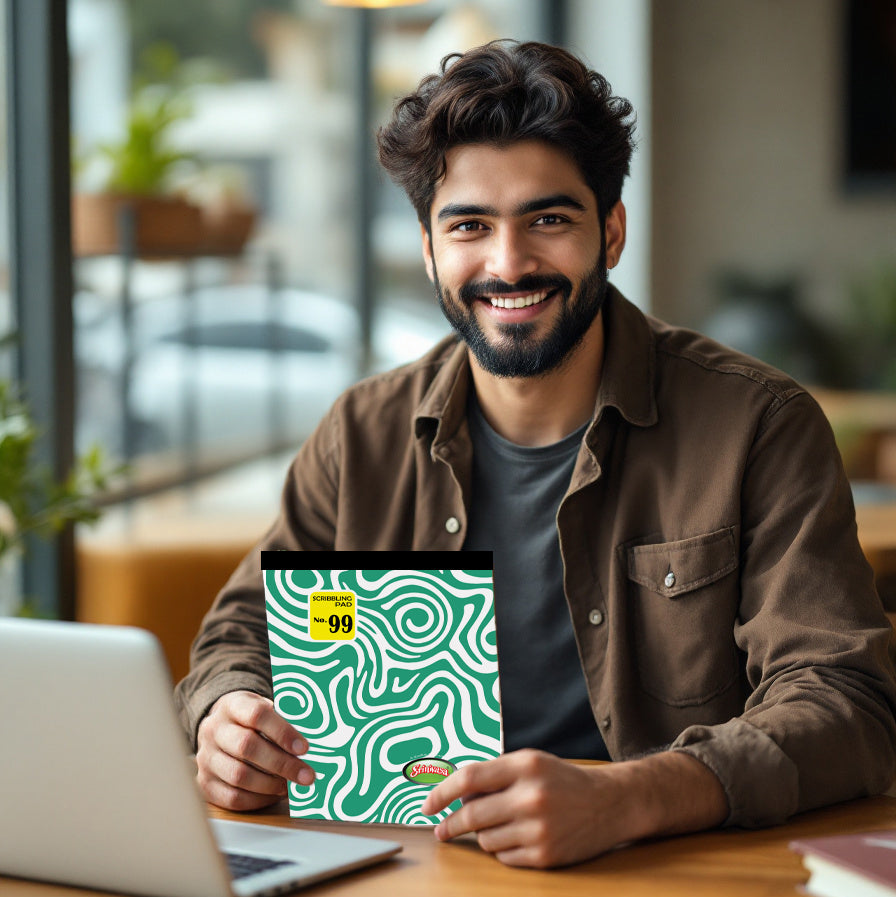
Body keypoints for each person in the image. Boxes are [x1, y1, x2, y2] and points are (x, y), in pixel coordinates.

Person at [175, 40, 896, 869]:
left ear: (611, 231)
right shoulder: (361, 432)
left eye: (548, 220)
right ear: (428, 249)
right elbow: (240, 633)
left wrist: (630, 797)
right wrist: (229, 714)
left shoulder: (759, 425)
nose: (509, 263)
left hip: (658, 867)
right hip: (409, 864)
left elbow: (847, 700)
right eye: (470, 226)